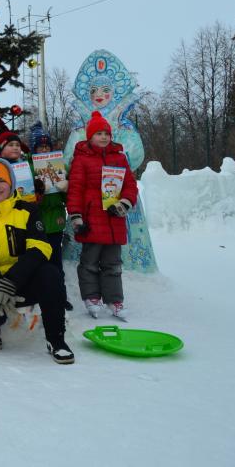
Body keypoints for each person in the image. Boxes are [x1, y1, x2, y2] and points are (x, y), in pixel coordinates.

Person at [0, 159, 74, 364]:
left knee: (51, 274)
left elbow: (40, 247)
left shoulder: (28, 210)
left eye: (1, 181)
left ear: (11, 183)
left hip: (21, 279)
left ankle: (56, 340)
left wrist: (12, 279)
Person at [66, 111, 138, 320]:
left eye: (106, 133)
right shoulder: (81, 159)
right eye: (98, 134)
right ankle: (92, 297)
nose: (104, 137)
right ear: (90, 137)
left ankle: (115, 300)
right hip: (91, 219)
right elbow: (75, 190)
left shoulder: (119, 158)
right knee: (89, 262)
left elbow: (130, 186)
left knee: (113, 264)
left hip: (114, 220)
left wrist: (124, 204)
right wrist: (77, 218)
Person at [28, 121, 73, 311]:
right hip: (36, 220)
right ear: (33, 149)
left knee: (55, 262)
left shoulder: (59, 165)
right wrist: (36, 191)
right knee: (37, 260)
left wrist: (66, 187)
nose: (44, 149)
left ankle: (59, 296)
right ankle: (38, 296)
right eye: (40, 146)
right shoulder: (28, 168)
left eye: (47, 146)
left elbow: (69, 196)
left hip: (55, 220)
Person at [0, 130, 36, 202]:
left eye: (18, 145)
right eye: (11, 145)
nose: (15, 148)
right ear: (1, 148)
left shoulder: (25, 167)